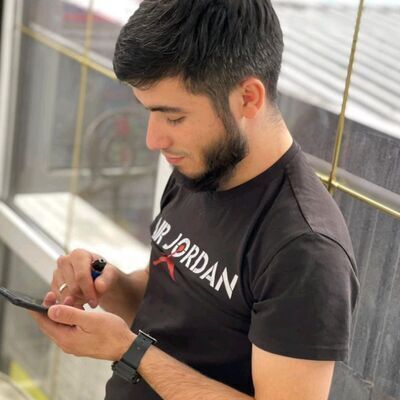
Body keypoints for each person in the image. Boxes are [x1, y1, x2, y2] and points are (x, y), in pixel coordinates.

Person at [30, 1, 360, 399]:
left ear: (248, 98)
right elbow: (177, 310)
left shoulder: (305, 249)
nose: (154, 139)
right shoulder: (201, 168)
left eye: (174, 117)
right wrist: (111, 285)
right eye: (149, 112)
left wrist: (129, 350)